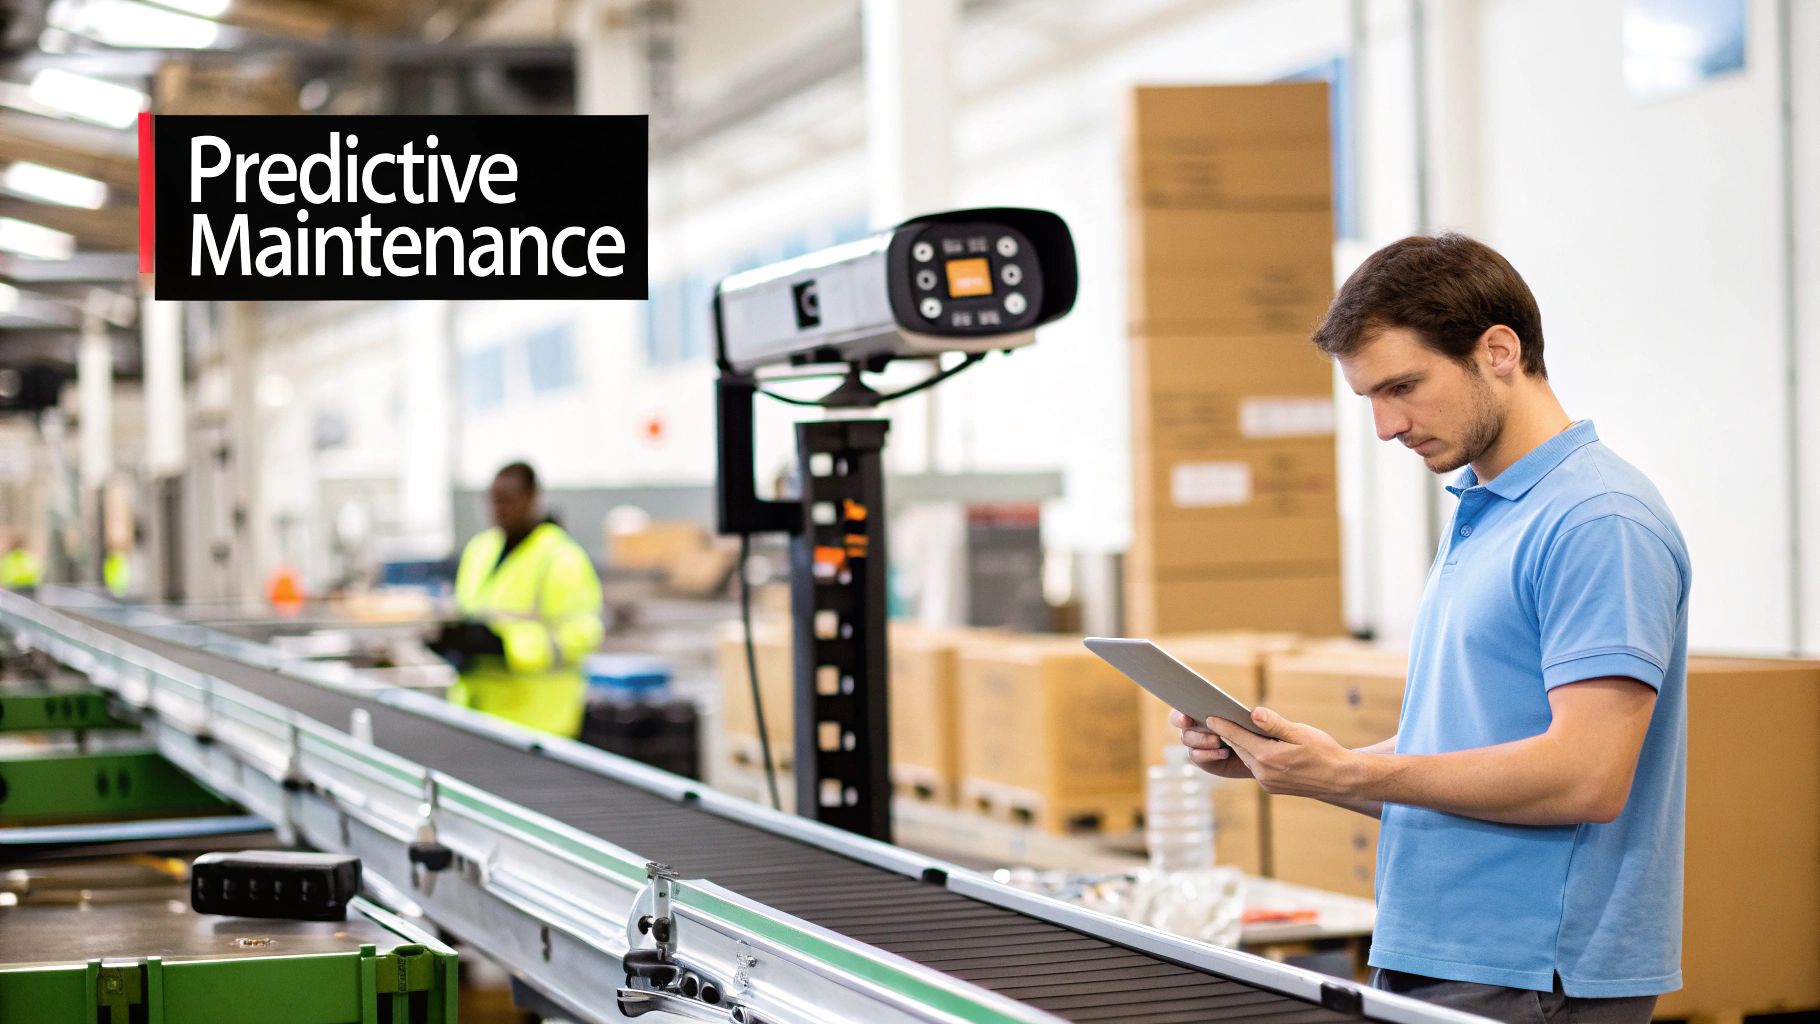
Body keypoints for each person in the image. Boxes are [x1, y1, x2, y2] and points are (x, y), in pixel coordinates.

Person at [1175, 234, 1688, 1023]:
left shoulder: (1598, 520)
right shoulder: (1485, 511)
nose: (1386, 426)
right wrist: (1308, 761)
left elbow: (1587, 776)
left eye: (1403, 386)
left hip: (1533, 972)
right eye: (1369, 399)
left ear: (1498, 351)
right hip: (1447, 952)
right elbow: (1460, 758)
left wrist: (1350, 774)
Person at [438, 462, 603, 737]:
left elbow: (583, 636)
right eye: (493, 500)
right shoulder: (480, 549)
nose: (498, 509)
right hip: (477, 714)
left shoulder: (560, 558)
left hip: (538, 722)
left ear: (531, 499)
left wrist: (507, 647)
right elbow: (469, 611)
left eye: (508, 500)